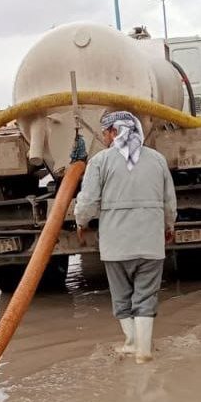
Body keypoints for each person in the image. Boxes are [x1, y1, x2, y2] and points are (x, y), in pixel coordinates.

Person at [75, 111, 177, 364]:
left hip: (116, 244)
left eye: (105, 132)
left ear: (114, 132)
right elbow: (169, 202)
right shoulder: (157, 160)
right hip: (150, 243)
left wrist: (81, 223)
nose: (104, 137)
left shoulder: (100, 162)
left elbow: (87, 201)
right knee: (145, 296)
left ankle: (132, 343)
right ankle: (143, 350)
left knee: (121, 296)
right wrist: (169, 226)